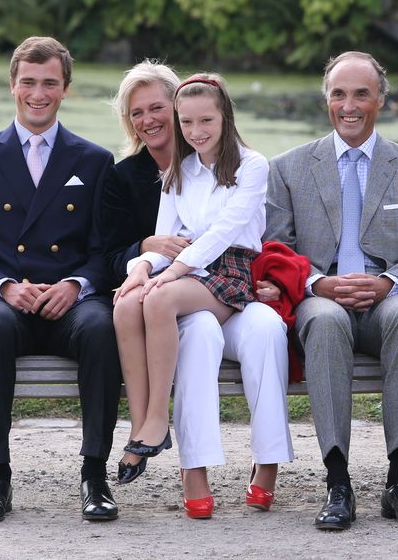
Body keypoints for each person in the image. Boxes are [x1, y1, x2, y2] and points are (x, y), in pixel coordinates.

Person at [0, 36, 122, 523]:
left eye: (49, 83)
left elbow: (105, 254)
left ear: (65, 89)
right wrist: (3, 286)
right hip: (4, 300)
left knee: (103, 328)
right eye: (28, 82)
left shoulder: (93, 160)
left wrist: (76, 285)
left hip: (70, 301)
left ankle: (94, 474)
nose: (37, 93)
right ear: (12, 86)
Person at [265, 51, 398, 530]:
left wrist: (388, 283)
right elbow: (276, 251)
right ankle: (337, 482)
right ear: (326, 100)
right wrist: (318, 283)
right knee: (322, 321)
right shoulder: (287, 169)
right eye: (338, 94)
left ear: (380, 100)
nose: (349, 105)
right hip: (322, 299)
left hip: (392, 299)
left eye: (361, 93)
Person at [110, 72, 277, 519]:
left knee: (159, 300)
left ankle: (159, 420)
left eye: (206, 120)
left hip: (230, 270)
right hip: (188, 270)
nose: (196, 132)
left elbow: (224, 233)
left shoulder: (251, 165)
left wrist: (172, 274)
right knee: (127, 302)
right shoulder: (179, 170)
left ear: (225, 117)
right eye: (187, 123)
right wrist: (140, 270)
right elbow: (166, 233)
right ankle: (142, 424)